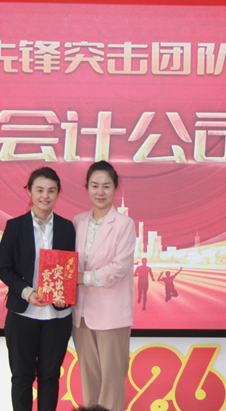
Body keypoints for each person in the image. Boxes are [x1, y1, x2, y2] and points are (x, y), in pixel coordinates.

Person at [0, 167, 75, 411]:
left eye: (51, 190)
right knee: (22, 378)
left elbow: (70, 269)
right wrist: (27, 292)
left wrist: (64, 297)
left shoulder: (67, 228)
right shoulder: (14, 226)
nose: (45, 196)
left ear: (58, 193)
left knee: (50, 378)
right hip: (23, 315)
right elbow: (4, 269)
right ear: (29, 191)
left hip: (57, 317)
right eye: (39, 190)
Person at [72, 161, 137, 411]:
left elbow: (119, 268)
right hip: (81, 314)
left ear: (115, 189)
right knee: (89, 381)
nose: (100, 192)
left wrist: (82, 277)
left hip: (112, 315)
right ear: (87, 187)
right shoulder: (77, 222)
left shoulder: (124, 224)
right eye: (95, 185)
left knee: (111, 382)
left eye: (106, 186)